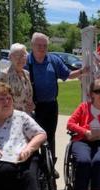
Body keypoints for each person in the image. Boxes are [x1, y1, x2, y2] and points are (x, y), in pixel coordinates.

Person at [25, 32, 86, 174]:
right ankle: (35, 168)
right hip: (32, 107)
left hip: (51, 105)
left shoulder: (53, 60)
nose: (42, 48)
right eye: (39, 45)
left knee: (50, 137)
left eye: (44, 45)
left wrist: (83, 71)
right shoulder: (26, 62)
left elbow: (67, 75)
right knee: (32, 138)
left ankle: (50, 166)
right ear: (32, 45)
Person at [0, 43, 34, 113]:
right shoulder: (5, 74)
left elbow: (28, 96)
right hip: (10, 116)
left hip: (27, 115)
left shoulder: (26, 74)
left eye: (23, 55)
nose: (20, 59)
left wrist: (32, 105)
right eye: (17, 56)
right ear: (10, 57)